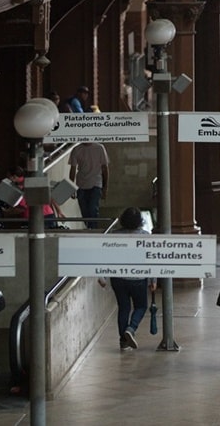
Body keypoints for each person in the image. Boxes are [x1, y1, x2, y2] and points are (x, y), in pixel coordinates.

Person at [98, 207, 157, 350]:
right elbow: (152, 259)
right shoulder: (146, 236)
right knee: (141, 306)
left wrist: (101, 276)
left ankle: (123, 342)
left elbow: (104, 256)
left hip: (118, 278)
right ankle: (131, 329)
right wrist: (153, 280)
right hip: (138, 278)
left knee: (123, 307)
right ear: (140, 222)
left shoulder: (113, 235)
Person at [69, 143, 109, 228]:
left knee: (93, 209)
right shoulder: (76, 149)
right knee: (84, 211)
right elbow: (72, 169)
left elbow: (105, 168)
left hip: (96, 183)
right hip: (81, 184)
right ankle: (89, 227)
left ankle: (93, 229)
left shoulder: (99, 148)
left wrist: (105, 188)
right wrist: (71, 187)